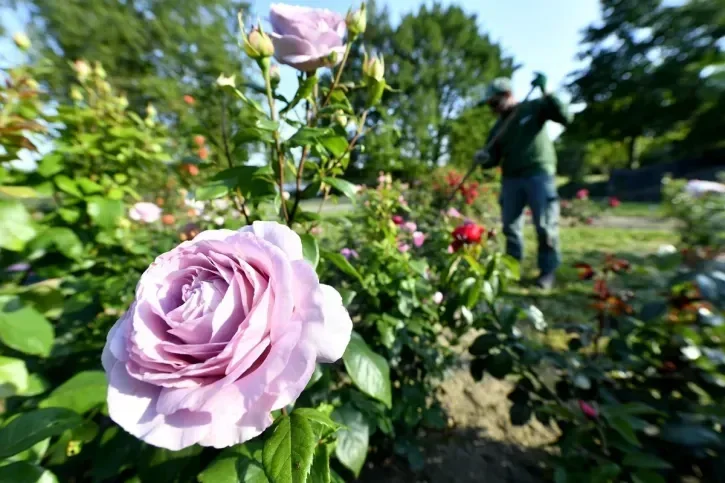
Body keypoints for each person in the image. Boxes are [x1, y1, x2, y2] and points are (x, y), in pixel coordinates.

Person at [474, 73, 573, 289]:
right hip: (511, 179)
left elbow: (565, 116)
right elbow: (492, 158)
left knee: (545, 225)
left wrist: (547, 92)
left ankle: (547, 271)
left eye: (494, 103)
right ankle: (512, 268)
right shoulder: (498, 128)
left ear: (508, 95)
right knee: (510, 227)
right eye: (490, 105)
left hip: (539, 173)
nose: (493, 109)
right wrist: (483, 158)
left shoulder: (534, 108)